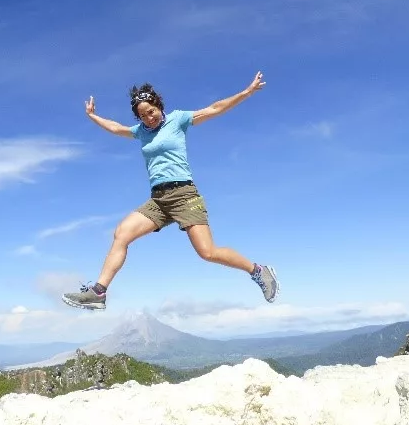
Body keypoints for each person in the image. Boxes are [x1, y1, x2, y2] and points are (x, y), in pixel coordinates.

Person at [61, 71, 279, 311]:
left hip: (184, 195)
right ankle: (98, 293)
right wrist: (93, 116)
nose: (149, 118)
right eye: (143, 115)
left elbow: (215, 109)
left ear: (159, 106)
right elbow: (115, 128)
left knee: (207, 252)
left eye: (151, 111)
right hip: (158, 199)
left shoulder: (178, 119)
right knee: (121, 233)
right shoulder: (141, 132)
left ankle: (258, 271)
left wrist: (246, 92)